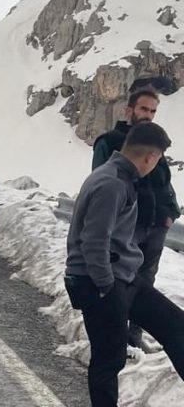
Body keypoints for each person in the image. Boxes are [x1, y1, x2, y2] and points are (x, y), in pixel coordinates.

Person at [65, 122, 184, 407]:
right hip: (99, 281)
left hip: (123, 277)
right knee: (109, 359)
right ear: (150, 157)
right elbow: (93, 243)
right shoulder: (112, 184)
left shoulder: (120, 177)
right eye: (158, 159)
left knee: (176, 327)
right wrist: (107, 289)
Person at [91, 87, 181, 352]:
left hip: (155, 227)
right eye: (144, 109)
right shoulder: (110, 141)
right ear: (128, 110)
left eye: (153, 111)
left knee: (146, 280)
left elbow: (165, 183)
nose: (148, 115)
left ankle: (135, 336)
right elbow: (101, 182)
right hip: (127, 228)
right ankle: (115, 336)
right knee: (122, 281)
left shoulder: (155, 142)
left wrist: (170, 213)